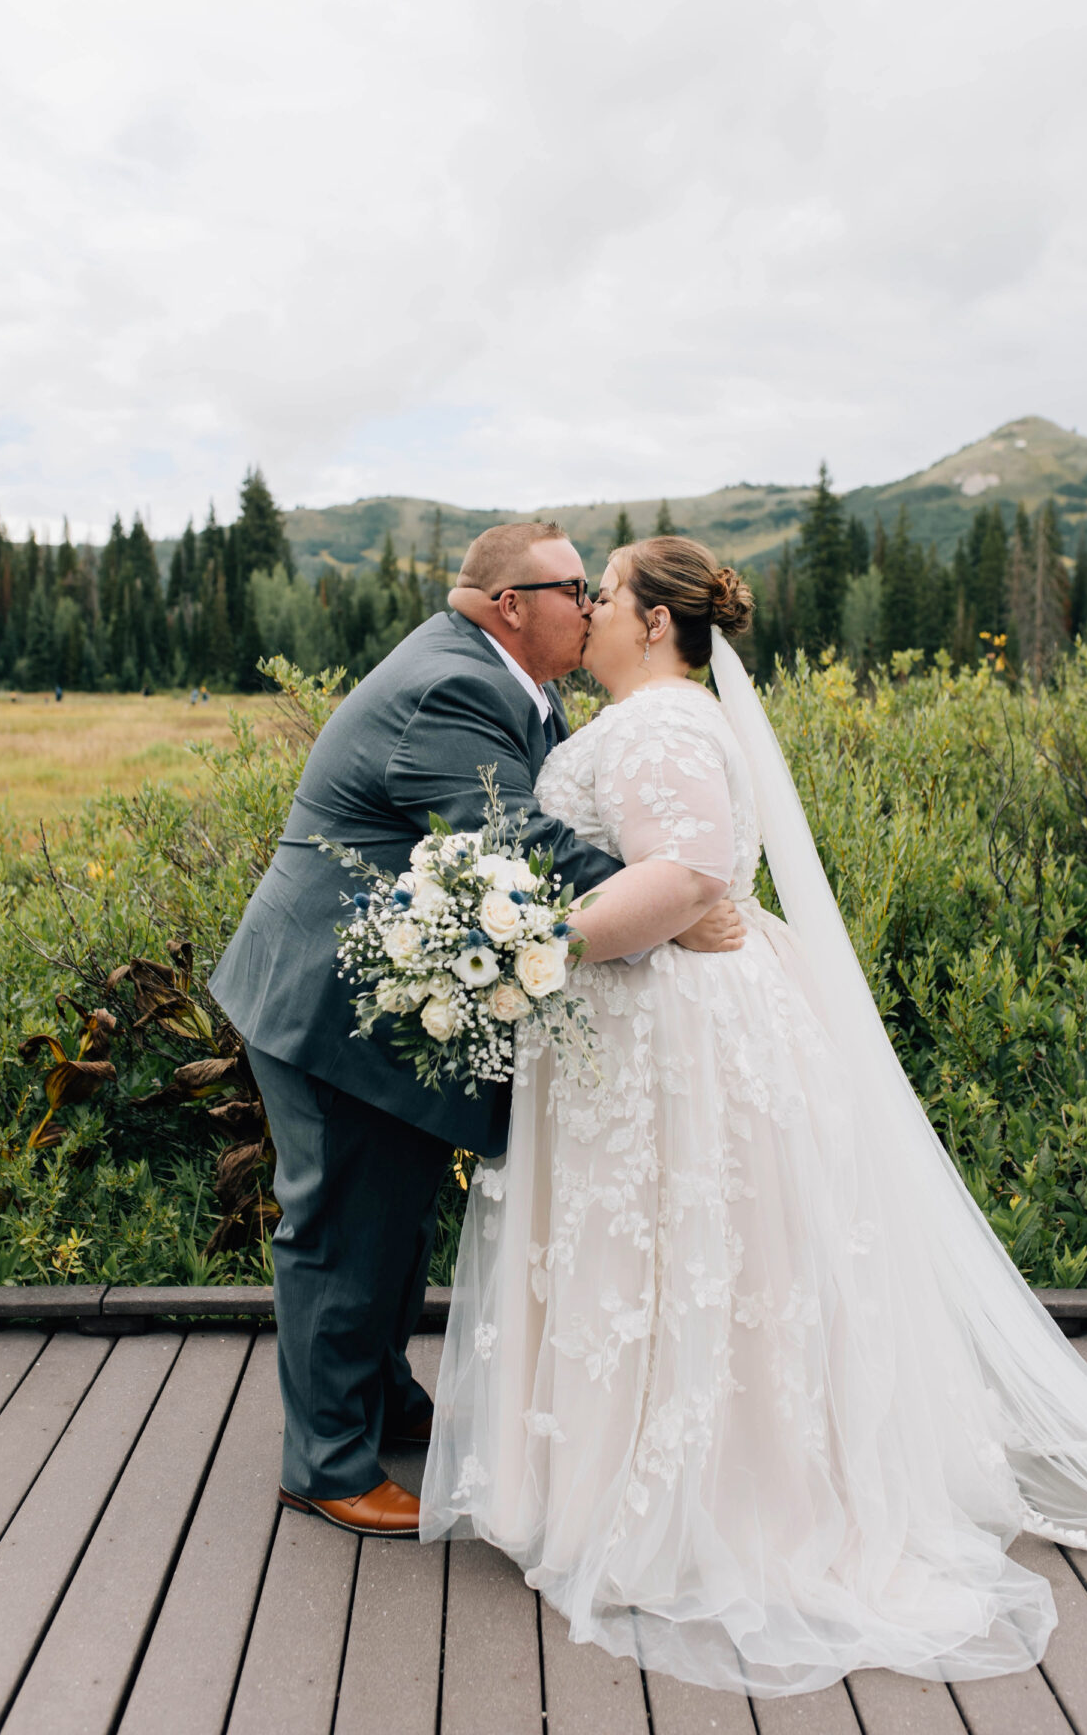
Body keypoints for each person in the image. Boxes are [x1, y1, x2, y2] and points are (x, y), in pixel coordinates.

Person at [421, 535, 1087, 1698]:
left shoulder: (667, 722)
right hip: (646, 1025)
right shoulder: (649, 721)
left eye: (610, 594)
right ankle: (609, 1473)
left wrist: (522, 949)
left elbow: (682, 878)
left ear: (659, 623)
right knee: (659, 1256)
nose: (590, 611)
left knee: (684, 1252)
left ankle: (701, 1501)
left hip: (672, 1031)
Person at [210, 522, 741, 1538]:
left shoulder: (500, 679)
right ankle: (325, 1462)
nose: (590, 608)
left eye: (599, 592)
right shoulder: (453, 686)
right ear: (513, 604)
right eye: (575, 590)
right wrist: (668, 904)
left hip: (385, 1002)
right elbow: (515, 842)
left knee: (395, 1214)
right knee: (339, 1228)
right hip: (332, 1004)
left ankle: (381, 1399)